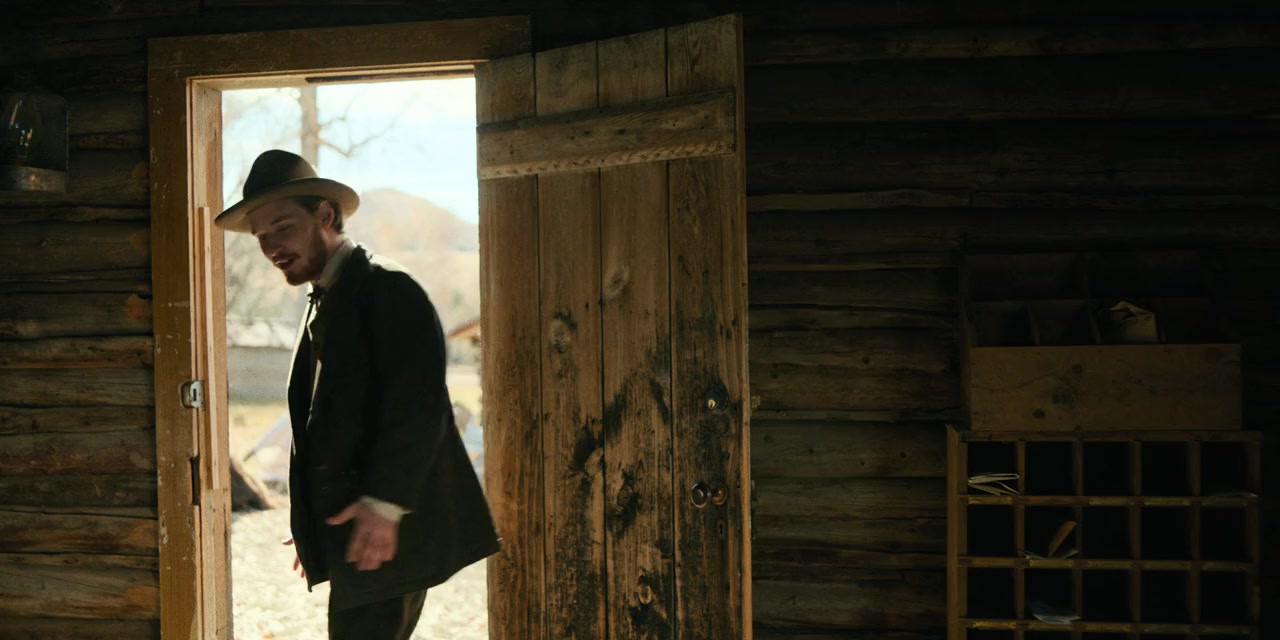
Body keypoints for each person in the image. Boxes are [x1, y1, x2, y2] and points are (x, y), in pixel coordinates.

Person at [215, 149, 500, 640]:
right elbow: (330, 416)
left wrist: (384, 508)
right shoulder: (328, 292)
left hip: (390, 530)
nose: (272, 247)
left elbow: (419, 409)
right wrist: (312, 522)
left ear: (325, 216)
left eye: (283, 227)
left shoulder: (388, 289)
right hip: (354, 528)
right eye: (262, 236)